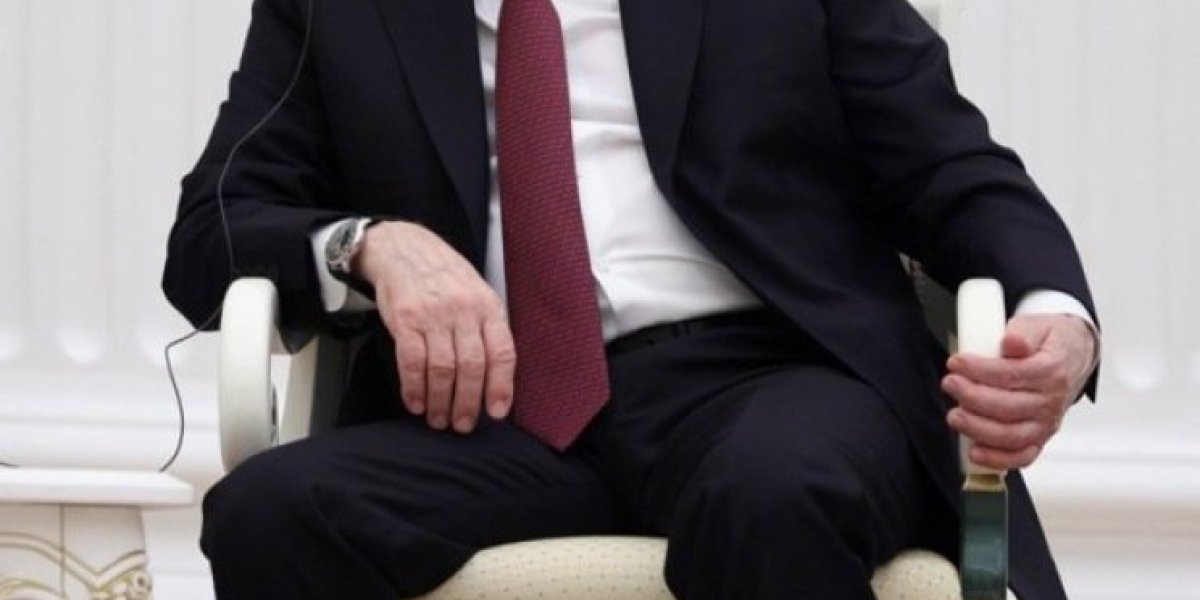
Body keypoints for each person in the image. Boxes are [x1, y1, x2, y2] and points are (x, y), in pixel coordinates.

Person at [163, 0, 1100, 597]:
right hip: (491, 406)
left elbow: (951, 169)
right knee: (270, 511)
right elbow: (213, 225)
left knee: (772, 491)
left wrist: (1057, 315)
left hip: (766, 374)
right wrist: (370, 244)